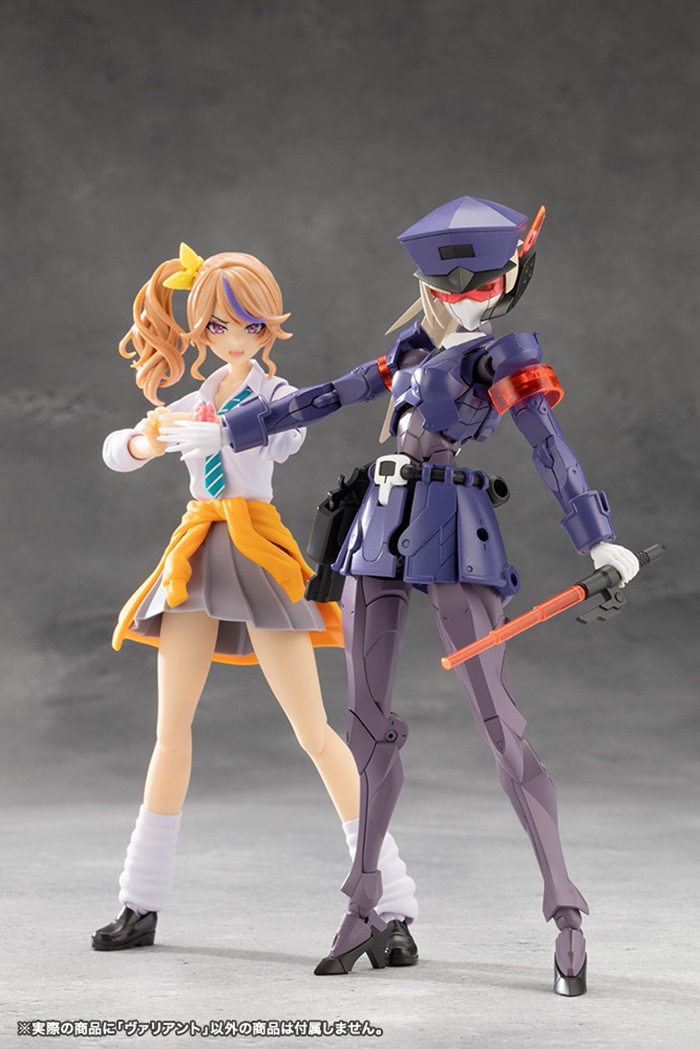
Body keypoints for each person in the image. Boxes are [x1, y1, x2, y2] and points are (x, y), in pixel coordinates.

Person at [162, 199, 640, 994]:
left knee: (500, 724)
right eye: (447, 284)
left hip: (455, 527)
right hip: (379, 526)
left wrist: (597, 537)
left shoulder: (501, 358)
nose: (463, 296)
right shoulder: (410, 350)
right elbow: (324, 396)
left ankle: (565, 911)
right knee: (365, 726)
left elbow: (549, 446)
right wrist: (233, 432)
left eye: (479, 282)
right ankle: (364, 904)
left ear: (509, 275)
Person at [92, 245, 418, 964]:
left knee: (314, 731)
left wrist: (230, 431)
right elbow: (116, 451)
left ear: (269, 327)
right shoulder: (196, 399)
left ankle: (392, 904)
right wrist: (145, 440)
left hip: (256, 547)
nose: (234, 339)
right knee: (170, 731)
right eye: (218, 327)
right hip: (199, 546)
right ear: (201, 330)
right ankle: (139, 901)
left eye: (250, 326)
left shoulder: (276, 395)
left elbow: (290, 433)